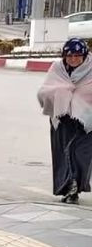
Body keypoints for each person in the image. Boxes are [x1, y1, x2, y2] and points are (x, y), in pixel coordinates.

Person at [38, 37, 92, 204]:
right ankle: (70, 188)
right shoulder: (58, 69)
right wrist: (62, 92)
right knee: (63, 154)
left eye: (77, 55)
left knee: (79, 154)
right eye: (69, 55)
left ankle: (77, 184)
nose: (73, 59)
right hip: (62, 119)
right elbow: (43, 92)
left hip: (87, 122)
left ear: (84, 55)